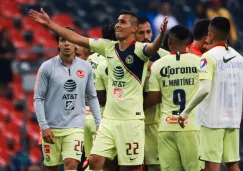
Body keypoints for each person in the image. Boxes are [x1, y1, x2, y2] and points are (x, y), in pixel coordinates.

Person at [29, 8, 168, 171]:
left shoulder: (138, 50)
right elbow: (76, 38)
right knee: (94, 161)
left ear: (134, 28)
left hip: (131, 120)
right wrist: (49, 24)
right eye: (117, 21)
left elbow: (152, 48)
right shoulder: (108, 47)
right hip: (109, 119)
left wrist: (161, 36)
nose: (117, 25)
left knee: (131, 168)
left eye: (122, 22)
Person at [179, 17, 243, 171]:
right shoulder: (239, 58)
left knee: (211, 164)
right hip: (233, 118)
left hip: (212, 119)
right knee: (232, 164)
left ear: (211, 35)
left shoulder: (208, 57)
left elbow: (205, 89)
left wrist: (185, 112)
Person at [33, 26, 101, 171]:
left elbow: (92, 96)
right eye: (63, 40)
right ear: (58, 43)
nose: (67, 44)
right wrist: (44, 127)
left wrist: (98, 122)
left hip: (75, 127)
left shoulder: (86, 67)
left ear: (76, 43)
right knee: (52, 168)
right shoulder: (47, 67)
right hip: (51, 129)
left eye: (70, 40)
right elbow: (38, 99)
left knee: (71, 164)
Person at [145, 25, 202, 171]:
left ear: (169, 41)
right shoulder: (199, 62)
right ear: (188, 41)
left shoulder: (157, 65)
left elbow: (153, 98)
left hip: (166, 126)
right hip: (191, 126)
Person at [135, 16, 169, 171]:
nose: (146, 37)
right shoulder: (125, 58)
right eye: (141, 33)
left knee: (157, 167)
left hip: (156, 123)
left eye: (148, 31)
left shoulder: (164, 56)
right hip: (131, 124)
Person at [0, 29, 16, 99]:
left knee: (7, 83)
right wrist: (5, 56)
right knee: (1, 83)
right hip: (0, 66)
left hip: (7, 66)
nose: (6, 35)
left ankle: (5, 98)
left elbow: (14, 54)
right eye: (5, 34)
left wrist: (10, 56)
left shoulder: (10, 43)